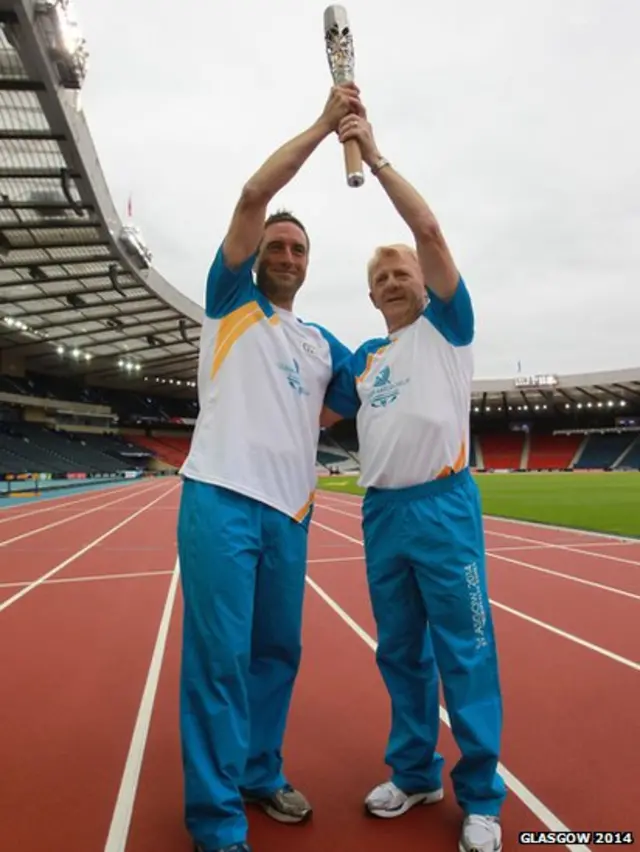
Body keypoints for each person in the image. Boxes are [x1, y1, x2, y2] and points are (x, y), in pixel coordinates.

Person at [177, 83, 364, 852]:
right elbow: (256, 190)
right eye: (276, 245)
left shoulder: (322, 343)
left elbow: (380, 384)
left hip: (290, 511)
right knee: (218, 663)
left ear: (310, 265)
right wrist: (327, 126)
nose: (285, 255)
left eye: (297, 249)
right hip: (221, 498)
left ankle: (259, 771)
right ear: (257, 255)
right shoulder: (229, 302)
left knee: (276, 654)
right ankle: (217, 822)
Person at [324, 110, 507, 852]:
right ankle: (415, 771)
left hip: (443, 509)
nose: (395, 279)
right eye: (381, 277)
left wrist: (373, 154)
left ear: (424, 284)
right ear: (371, 297)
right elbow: (297, 393)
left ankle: (483, 796)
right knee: (399, 651)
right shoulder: (365, 359)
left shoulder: (448, 330)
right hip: (383, 516)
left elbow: (428, 231)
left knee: (465, 650)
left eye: (402, 272)